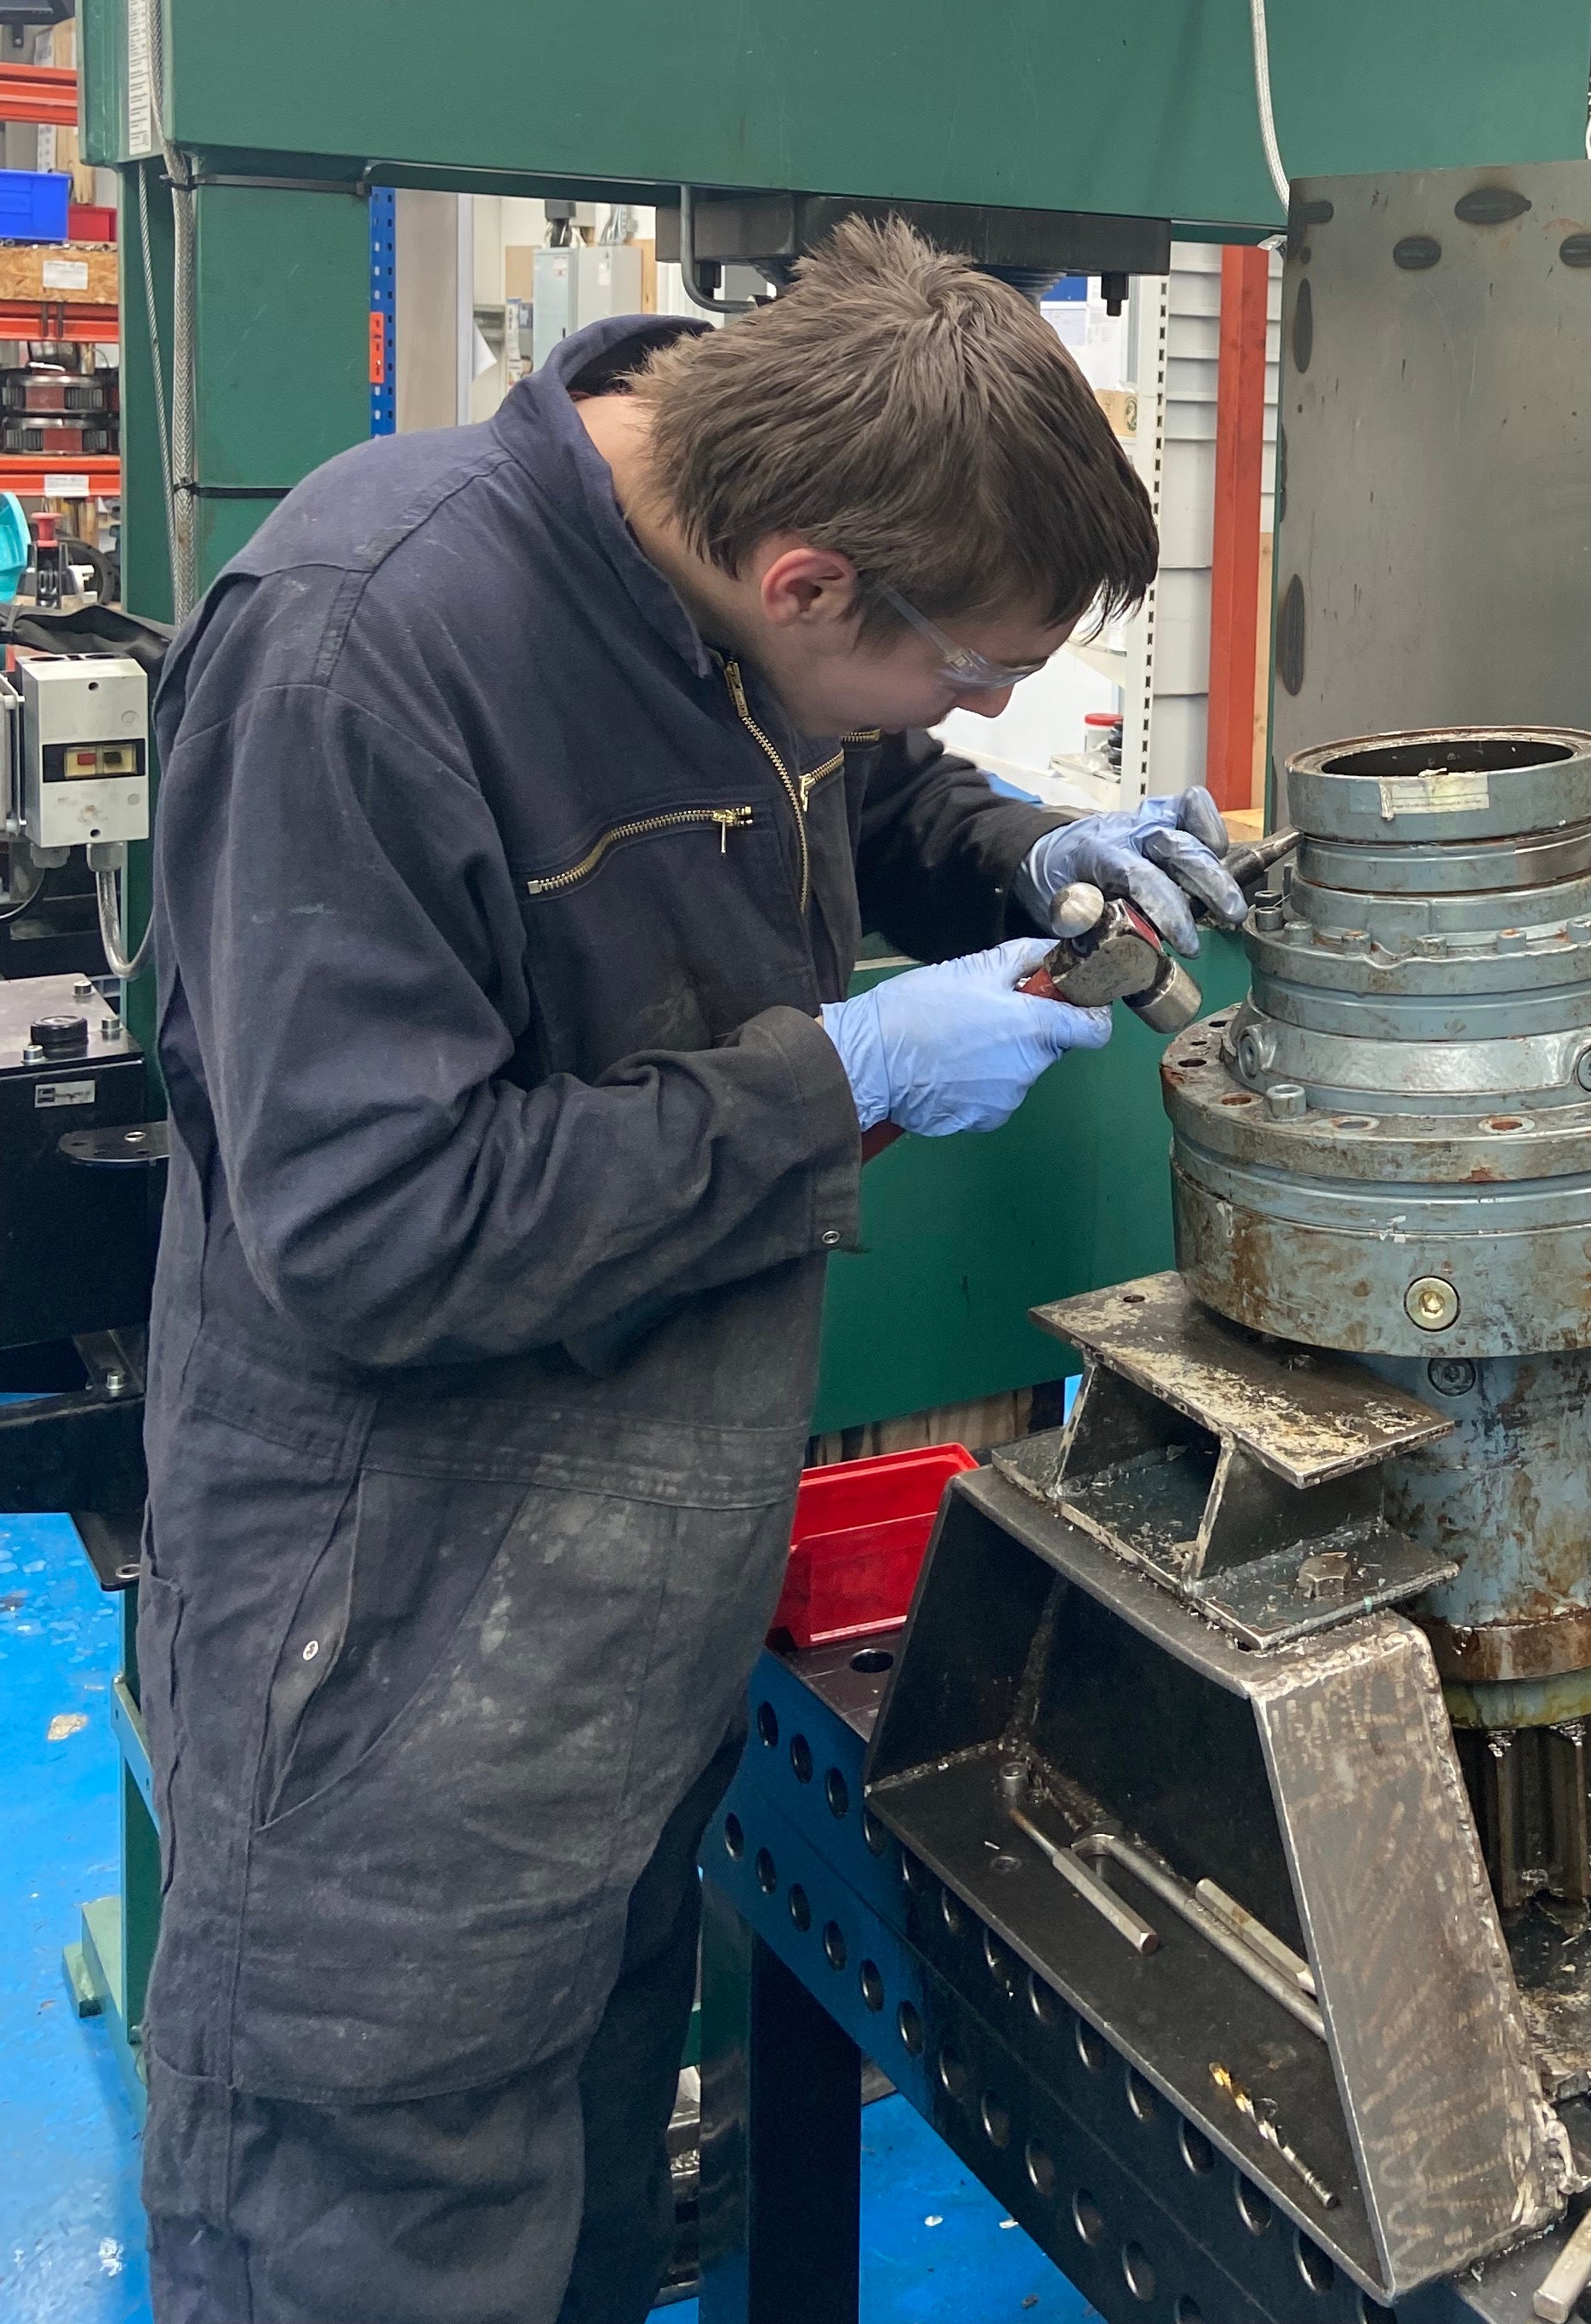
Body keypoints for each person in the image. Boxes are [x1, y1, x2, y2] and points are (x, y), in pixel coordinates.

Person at [134, 218, 1248, 2324]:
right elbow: (371, 1226)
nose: (981, 707)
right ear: (809, 575)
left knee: (565, 2185)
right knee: (378, 2214)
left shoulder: (726, 574)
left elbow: (864, 761)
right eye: (972, 663)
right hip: (387, 1618)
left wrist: (1026, 847)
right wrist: (831, 1080)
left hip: (634, 1589)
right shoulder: (362, 650)